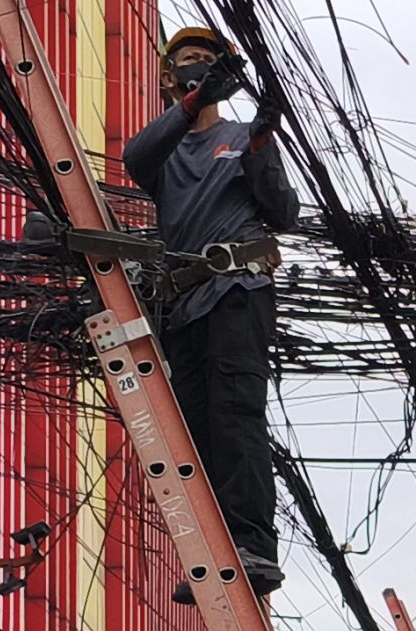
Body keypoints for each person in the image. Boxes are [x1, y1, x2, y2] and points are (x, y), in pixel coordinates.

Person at [121, 26, 299, 596]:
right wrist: (194, 100)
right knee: (192, 434)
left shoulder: (242, 137)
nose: (199, 68)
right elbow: (134, 158)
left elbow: (283, 211)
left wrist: (264, 136)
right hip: (183, 305)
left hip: (238, 291)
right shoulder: (164, 151)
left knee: (234, 414)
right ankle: (216, 550)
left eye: (208, 62)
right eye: (189, 62)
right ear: (169, 79)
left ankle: (252, 545)